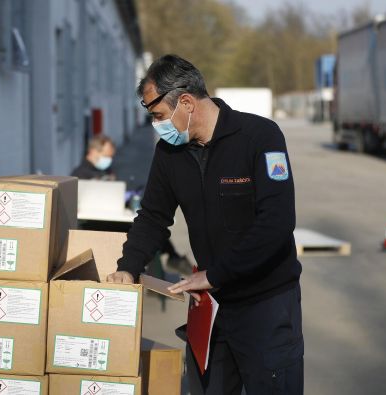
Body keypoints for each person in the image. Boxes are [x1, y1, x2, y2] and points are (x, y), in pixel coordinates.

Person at [106, 54, 304, 394]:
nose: (157, 126)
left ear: (186, 102)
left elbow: (277, 223)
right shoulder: (170, 153)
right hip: (212, 311)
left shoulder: (259, 137)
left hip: (266, 307)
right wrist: (128, 267)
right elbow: (153, 216)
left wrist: (214, 275)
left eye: (158, 116)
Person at [72, 134, 191, 274]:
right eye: (106, 156)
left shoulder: (105, 171)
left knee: (148, 226)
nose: (109, 160)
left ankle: (172, 258)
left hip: (113, 218)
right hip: (94, 224)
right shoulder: (81, 174)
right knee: (145, 228)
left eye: (111, 156)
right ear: (93, 151)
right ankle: (173, 258)